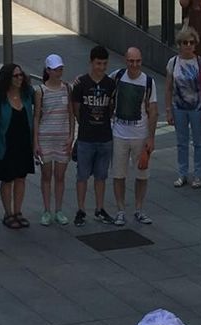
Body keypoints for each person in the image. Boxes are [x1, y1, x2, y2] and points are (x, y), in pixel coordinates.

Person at [110, 47, 158, 227]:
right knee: (118, 174)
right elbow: (100, 84)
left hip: (140, 135)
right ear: (125, 60)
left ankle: (139, 209)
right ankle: (120, 210)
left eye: (137, 61)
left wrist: (150, 138)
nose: (135, 64)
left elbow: (153, 111)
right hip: (119, 135)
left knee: (142, 174)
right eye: (131, 61)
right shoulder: (117, 76)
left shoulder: (148, 82)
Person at [72, 45, 117, 227]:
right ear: (91, 62)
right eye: (98, 63)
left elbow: (111, 108)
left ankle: (99, 208)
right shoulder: (81, 84)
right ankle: (81, 209)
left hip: (105, 136)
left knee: (101, 175)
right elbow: (76, 109)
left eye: (104, 64)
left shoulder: (110, 84)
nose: (101, 67)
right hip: (86, 137)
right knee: (82, 175)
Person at [166, 26, 201, 189]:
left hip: (197, 107)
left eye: (191, 42)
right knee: (181, 142)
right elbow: (168, 88)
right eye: (185, 42)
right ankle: (182, 173)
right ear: (179, 44)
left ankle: (198, 175)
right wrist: (168, 110)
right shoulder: (173, 62)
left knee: (199, 142)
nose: (188, 45)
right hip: (179, 107)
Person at [33, 54, 74, 226]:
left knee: (60, 175)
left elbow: (71, 113)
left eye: (61, 69)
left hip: (62, 136)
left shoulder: (67, 88)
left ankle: (58, 209)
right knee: (46, 175)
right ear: (48, 70)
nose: (59, 72)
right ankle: (46, 210)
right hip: (45, 137)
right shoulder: (40, 91)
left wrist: (72, 135)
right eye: (56, 69)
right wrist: (35, 142)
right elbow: (36, 117)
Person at [0, 63, 35, 229]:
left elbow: (43, 93)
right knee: (7, 179)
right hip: (5, 144)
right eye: (15, 76)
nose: (19, 78)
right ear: (7, 79)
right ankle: (8, 213)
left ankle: (18, 211)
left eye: (21, 75)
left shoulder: (27, 94)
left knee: (21, 177)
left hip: (23, 143)